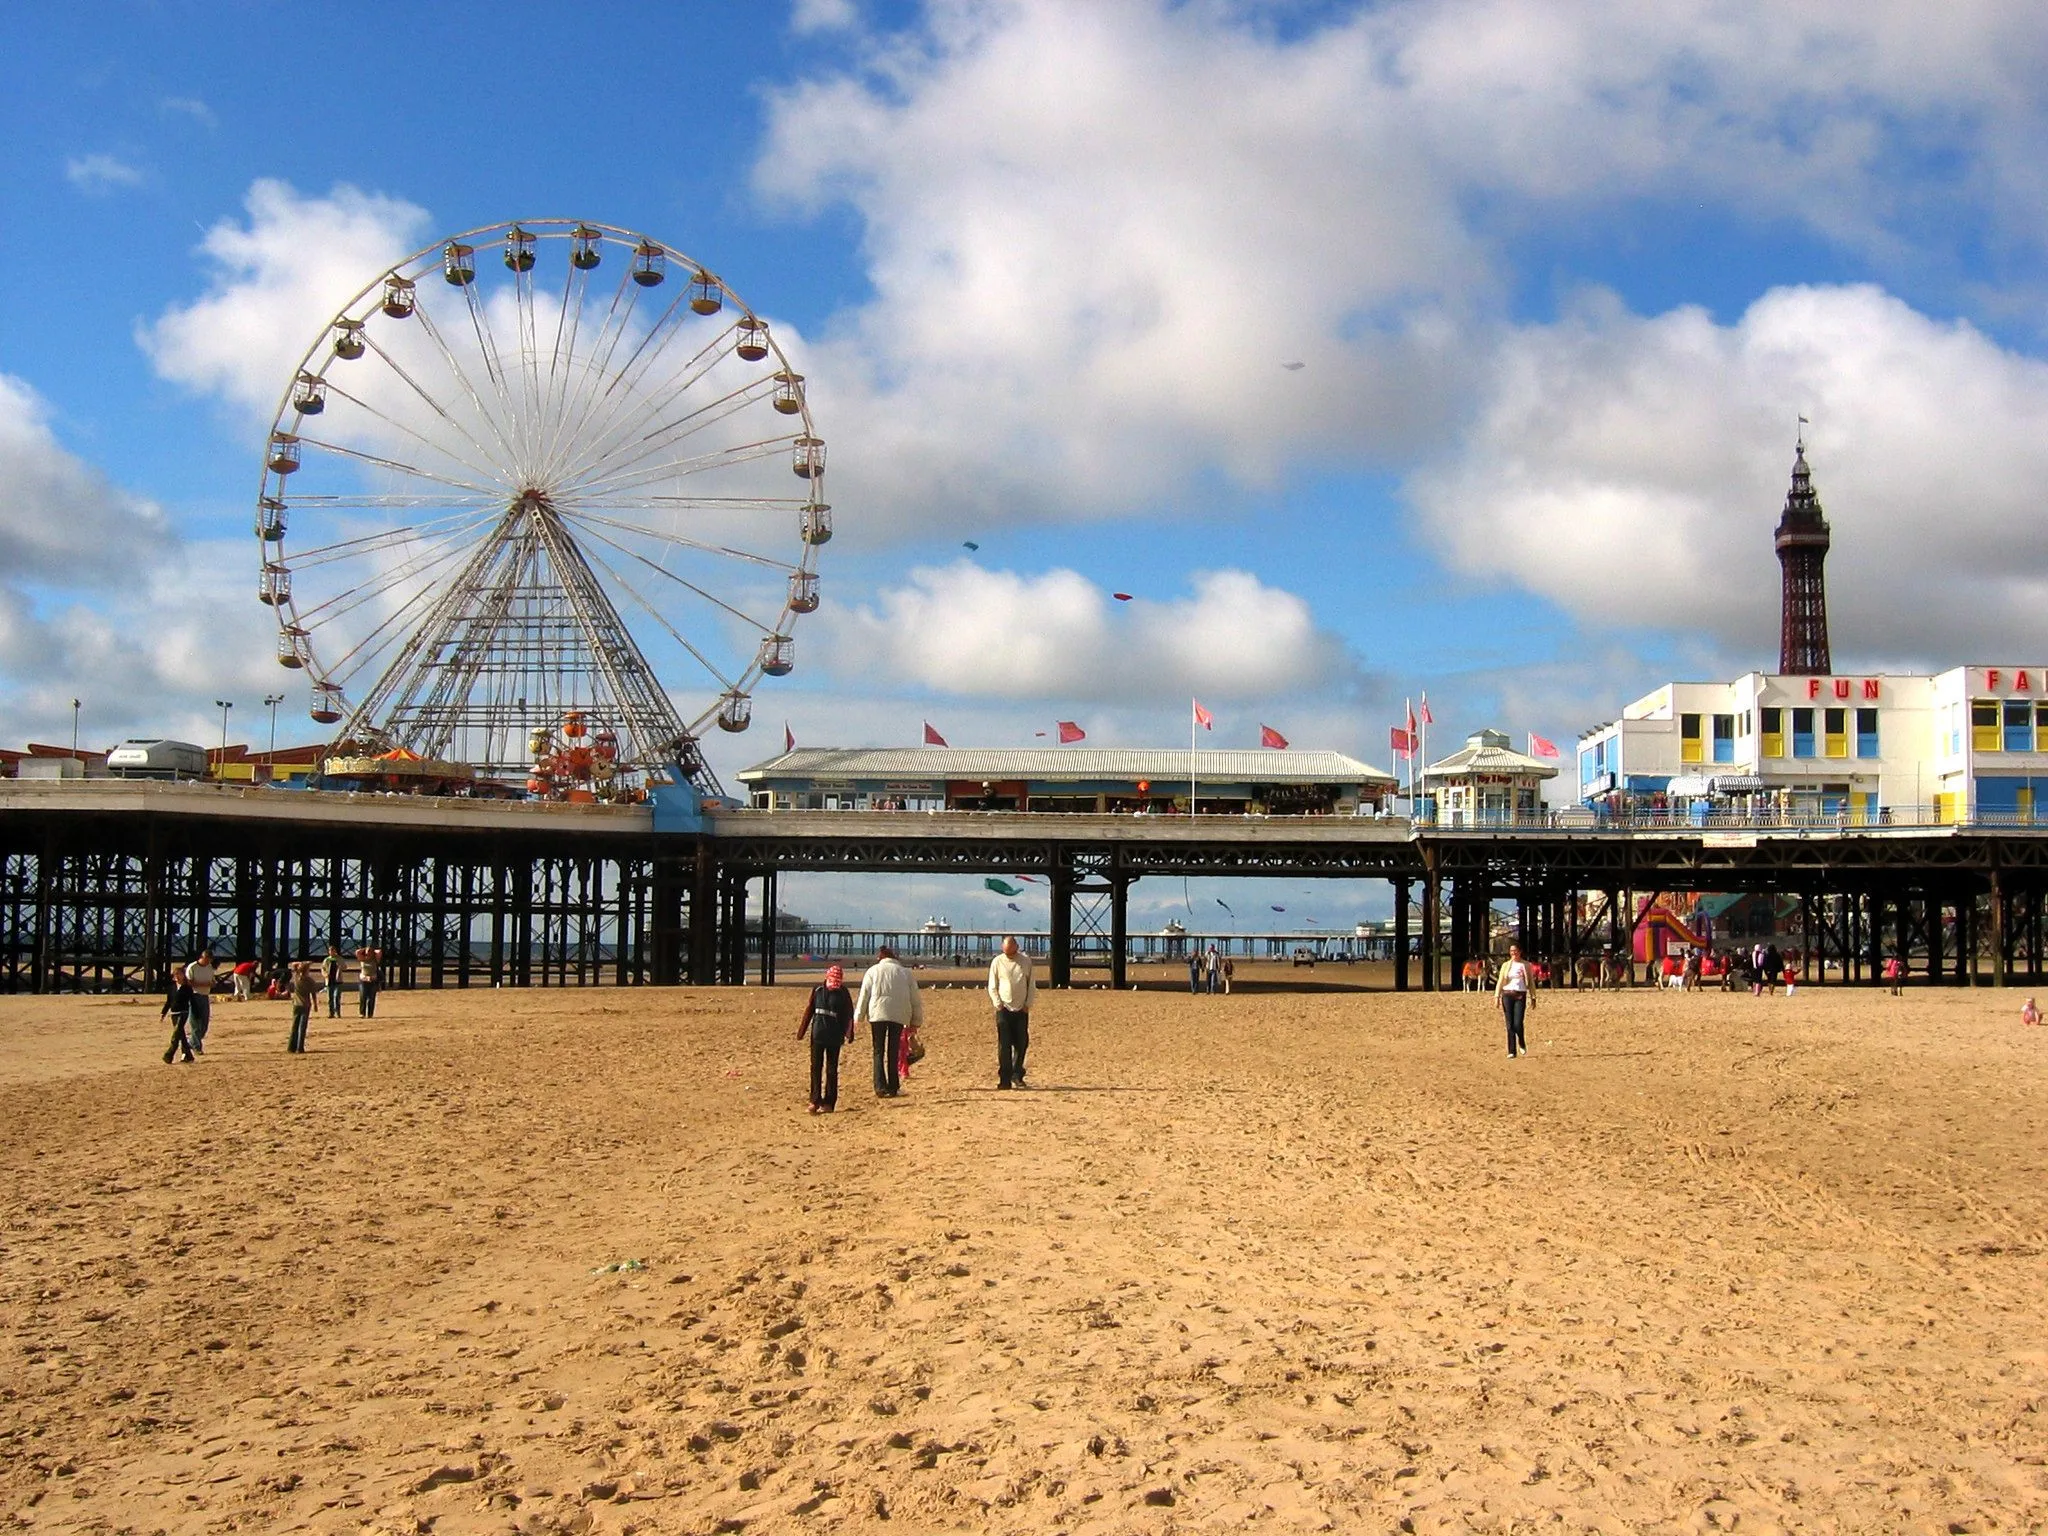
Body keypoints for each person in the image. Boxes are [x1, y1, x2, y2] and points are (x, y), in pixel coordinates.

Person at [854, 945, 923, 1098]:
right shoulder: (905, 973)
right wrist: (916, 1021)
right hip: (898, 1015)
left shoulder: (872, 971)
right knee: (893, 1051)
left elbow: (864, 995)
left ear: (881, 958)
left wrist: (858, 1017)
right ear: (894, 958)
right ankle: (893, 1087)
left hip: (877, 1014)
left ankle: (879, 1087)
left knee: (878, 1051)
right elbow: (915, 999)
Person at [798, 964, 855, 1112]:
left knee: (831, 1069)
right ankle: (815, 1101)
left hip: (834, 1036)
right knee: (816, 1068)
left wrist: (849, 1034)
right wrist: (801, 1032)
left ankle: (829, 1102)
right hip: (818, 1034)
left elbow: (848, 1015)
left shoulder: (843, 993)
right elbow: (809, 1011)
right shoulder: (818, 990)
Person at [987, 936, 1036, 1089]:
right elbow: (992, 985)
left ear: (1017, 946)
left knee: (1022, 1043)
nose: (1009, 955)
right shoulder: (997, 961)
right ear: (1003, 948)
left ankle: (1017, 1074)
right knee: (1004, 1045)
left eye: (1011, 952)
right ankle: (1004, 1079)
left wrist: (1028, 1004)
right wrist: (998, 1004)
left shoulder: (1025, 961)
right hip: (1004, 1009)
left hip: (1021, 1008)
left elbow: (1031, 984)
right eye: (1006, 952)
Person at [1496, 942, 1533, 1058]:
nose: (1513, 953)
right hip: (1507, 994)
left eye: (1515, 951)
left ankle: (1521, 1041)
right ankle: (1512, 1051)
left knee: (1517, 1023)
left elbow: (1531, 982)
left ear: (1520, 951)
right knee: (1509, 1024)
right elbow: (1500, 980)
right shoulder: (1506, 965)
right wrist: (1496, 996)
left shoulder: (1526, 965)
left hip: (1520, 994)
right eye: (1511, 951)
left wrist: (1533, 997)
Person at [160, 964, 195, 1064]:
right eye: (175, 975)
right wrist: (163, 1013)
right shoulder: (171, 988)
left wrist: (197, 1013)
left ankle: (169, 1055)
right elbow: (168, 1001)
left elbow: (192, 1001)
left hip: (183, 1012)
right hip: (173, 1013)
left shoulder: (187, 988)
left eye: (179, 974)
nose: (177, 977)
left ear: (183, 975)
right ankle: (188, 1055)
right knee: (181, 1035)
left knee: (176, 1035)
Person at [185, 950, 216, 1053]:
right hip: (194, 996)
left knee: (204, 1024)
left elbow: (212, 981)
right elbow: (188, 982)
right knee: (196, 1023)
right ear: (202, 958)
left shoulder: (209, 967)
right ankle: (197, 1047)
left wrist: (211, 984)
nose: (208, 962)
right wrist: (202, 984)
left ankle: (191, 1042)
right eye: (207, 960)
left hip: (205, 996)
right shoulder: (192, 967)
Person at [287, 961, 319, 1053]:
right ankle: (299, 1047)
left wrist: (303, 963)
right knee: (302, 1027)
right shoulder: (309, 980)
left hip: (296, 1004)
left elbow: (293, 964)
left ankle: (291, 1047)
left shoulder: (297, 978)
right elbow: (313, 994)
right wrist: (315, 1005)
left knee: (294, 1026)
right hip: (305, 1004)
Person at [355, 946, 382, 1017]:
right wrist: (364, 950)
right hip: (363, 980)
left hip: (372, 980)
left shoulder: (375, 960)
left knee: (371, 998)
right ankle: (362, 1013)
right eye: (367, 952)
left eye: (370, 951)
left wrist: (372, 950)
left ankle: (370, 1014)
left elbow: (379, 952)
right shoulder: (362, 959)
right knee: (362, 996)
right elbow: (357, 952)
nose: (368, 953)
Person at [323, 944, 345, 1018]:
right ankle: (331, 1013)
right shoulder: (327, 960)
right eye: (330, 950)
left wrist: (340, 965)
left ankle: (337, 1012)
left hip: (338, 981)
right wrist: (326, 974)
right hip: (329, 981)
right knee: (330, 998)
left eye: (333, 950)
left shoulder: (339, 958)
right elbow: (323, 969)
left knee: (336, 997)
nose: (331, 952)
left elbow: (345, 967)